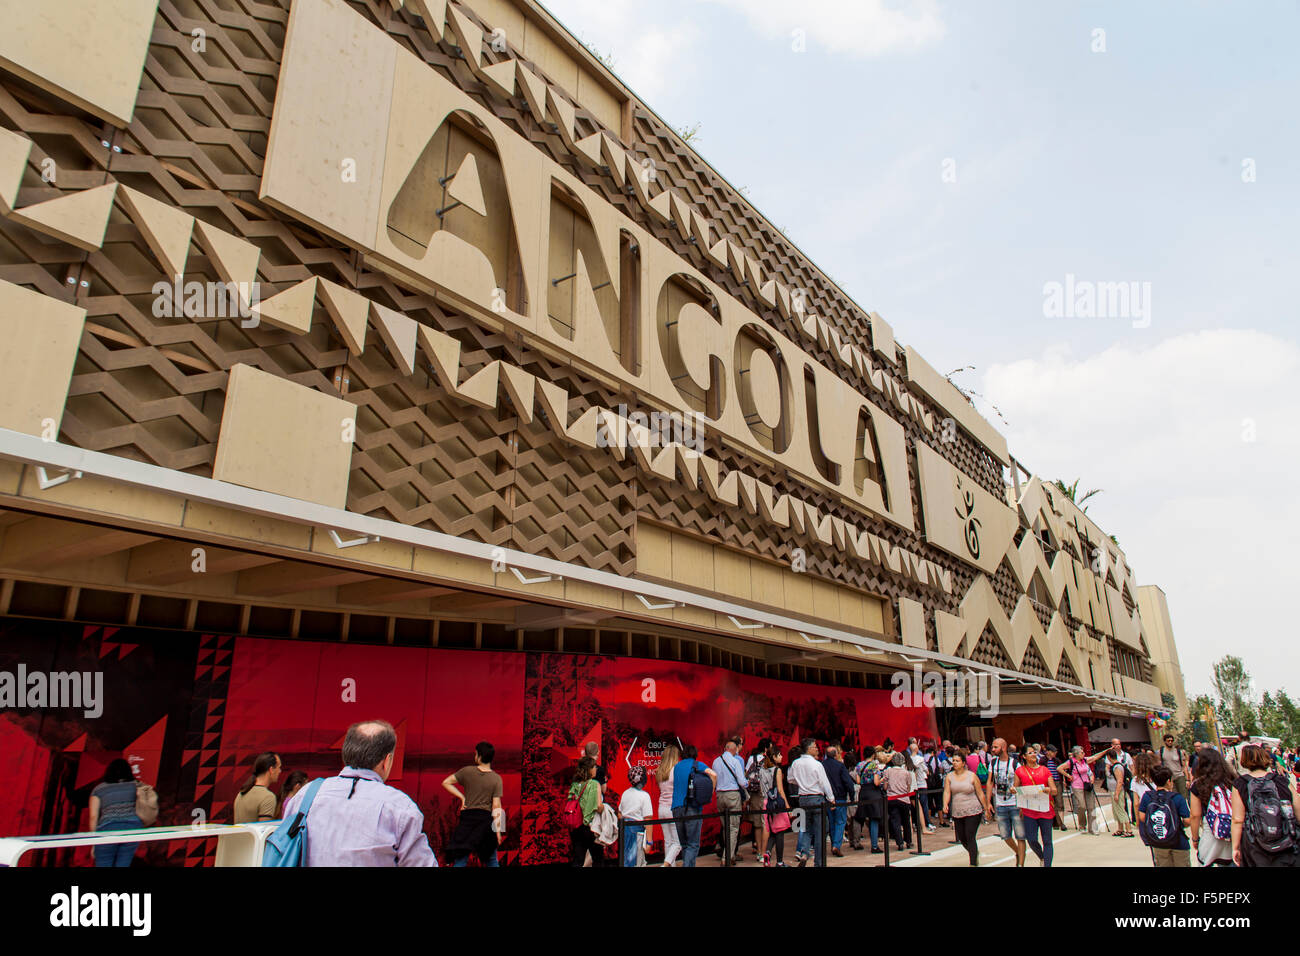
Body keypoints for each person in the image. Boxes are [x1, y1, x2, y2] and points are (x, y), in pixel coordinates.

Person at [280, 719, 437, 866]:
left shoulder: (305, 795)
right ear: (387, 761)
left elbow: (284, 848)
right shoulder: (400, 807)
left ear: (346, 753)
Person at [1231, 744, 1299, 867]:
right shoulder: (1281, 780)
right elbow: (1298, 810)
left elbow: (1237, 819)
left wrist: (1235, 847)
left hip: (1256, 846)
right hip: (1286, 842)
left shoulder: (1240, 784)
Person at [442, 741, 504, 867]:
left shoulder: (467, 772)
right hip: (486, 822)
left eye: (476, 753)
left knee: (460, 859)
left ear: (479, 756)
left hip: (468, 820)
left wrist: (462, 797)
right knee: (492, 861)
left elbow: (446, 782)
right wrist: (498, 832)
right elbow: (496, 806)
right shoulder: (496, 779)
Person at [789, 737, 835, 867]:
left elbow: (790, 779)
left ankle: (804, 853)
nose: (817, 749)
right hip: (817, 798)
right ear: (809, 749)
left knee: (807, 829)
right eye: (815, 747)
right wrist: (831, 798)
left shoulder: (796, 763)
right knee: (820, 831)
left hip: (803, 799)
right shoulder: (817, 764)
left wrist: (802, 782)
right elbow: (824, 783)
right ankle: (818, 862)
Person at [89, 758, 143, 868]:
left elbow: (93, 817)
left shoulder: (98, 789)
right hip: (132, 829)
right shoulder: (137, 785)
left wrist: (93, 842)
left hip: (107, 828)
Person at [1187, 747, 1234, 867]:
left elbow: (1195, 815)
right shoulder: (1232, 779)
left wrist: (1195, 838)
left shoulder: (1198, 784)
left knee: (1207, 861)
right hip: (1233, 828)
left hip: (1211, 829)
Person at [670, 744, 715, 868]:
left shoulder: (677, 766)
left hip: (676, 808)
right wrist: (711, 790)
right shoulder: (697, 764)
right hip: (692, 807)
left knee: (684, 844)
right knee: (693, 844)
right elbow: (714, 774)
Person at [943, 747, 989, 866]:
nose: (954, 763)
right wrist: (945, 804)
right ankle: (974, 853)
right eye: (953, 760)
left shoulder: (972, 776)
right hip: (957, 811)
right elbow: (947, 792)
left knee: (970, 835)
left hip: (973, 810)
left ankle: (972, 863)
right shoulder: (949, 776)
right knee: (962, 838)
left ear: (963, 763)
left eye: (957, 761)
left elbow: (979, 793)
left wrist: (986, 808)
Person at [1138, 766, 1191, 867]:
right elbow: (1187, 821)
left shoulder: (1147, 797)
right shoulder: (1177, 798)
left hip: (1158, 841)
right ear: (1168, 781)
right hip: (1178, 841)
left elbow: (1142, 817)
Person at [985, 738, 1026, 865]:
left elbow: (1019, 783)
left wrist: (1022, 804)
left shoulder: (1015, 763)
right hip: (1000, 804)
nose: (993, 749)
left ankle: (1020, 864)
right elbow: (990, 782)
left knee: (1020, 836)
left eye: (995, 747)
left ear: (1003, 747)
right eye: (992, 747)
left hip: (1014, 804)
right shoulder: (993, 763)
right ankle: (1018, 852)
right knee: (1005, 835)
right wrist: (988, 803)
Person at [1016, 745, 1058, 867]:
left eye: (1034, 752)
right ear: (1024, 756)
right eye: (1030, 753)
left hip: (1045, 809)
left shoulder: (1045, 770)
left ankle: (1047, 865)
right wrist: (1014, 791)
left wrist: (1048, 789)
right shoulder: (1020, 771)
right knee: (1031, 839)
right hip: (1029, 810)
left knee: (1047, 841)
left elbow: (1054, 790)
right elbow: (1016, 789)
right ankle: (1042, 857)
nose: (1033, 754)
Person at [711, 735, 747, 865]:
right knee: (733, 828)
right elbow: (742, 782)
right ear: (734, 749)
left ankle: (729, 854)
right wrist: (748, 784)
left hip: (720, 796)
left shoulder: (716, 761)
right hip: (733, 795)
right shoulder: (735, 761)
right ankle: (726, 857)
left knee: (726, 826)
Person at [1089, 738, 1135, 838]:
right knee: (1116, 810)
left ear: (1109, 757)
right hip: (1113, 789)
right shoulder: (1113, 766)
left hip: (1117, 790)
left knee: (1121, 810)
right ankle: (1120, 828)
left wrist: (1117, 793)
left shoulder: (1117, 767)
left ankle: (1129, 829)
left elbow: (1120, 781)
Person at [567, 756, 603, 867]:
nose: (596, 769)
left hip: (576, 826)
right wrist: (605, 809)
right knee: (598, 859)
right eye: (594, 767)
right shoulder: (594, 784)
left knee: (578, 859)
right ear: (589, 769)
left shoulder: (574, 784)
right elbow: (598, 806)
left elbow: (570, 800)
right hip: (590, 827)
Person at [761, 744, 792, 867]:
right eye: (779, 754)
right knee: (780, 832)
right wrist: (787, 806)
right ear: (774, 757)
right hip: (777, 804)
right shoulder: (777, 770)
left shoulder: (762, 770)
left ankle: (767, 852)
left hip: (766, 803)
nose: (781, 756)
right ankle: (779, 862)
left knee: (773, 831)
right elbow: (780, 790)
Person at [822, 744, 855, 857]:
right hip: (840, 797)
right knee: (840, 822)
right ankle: (836, 845)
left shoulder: (822, 766)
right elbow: (848, 783)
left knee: (832, 822)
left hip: (827, 798)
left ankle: (833, 844)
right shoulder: (840, 766)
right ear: (836, 755)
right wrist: (851, 795)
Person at [854, 747, 888, 853]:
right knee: (874, 819)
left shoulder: (859, 765)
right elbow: (876, 782)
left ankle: (856, 841)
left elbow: (858, 781)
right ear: (873, 755)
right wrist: (883, 779)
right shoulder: (875, 766)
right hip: (873, 793)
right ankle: (874, 846)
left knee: (860, 817)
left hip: (863, 792)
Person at [233, 751, 281, 823]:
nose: (280, 771)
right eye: (279, 767)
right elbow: (263, 830)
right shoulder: (268, 797)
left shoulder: (242, 792)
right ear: (271, 770)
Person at [618, 766, 653, 867]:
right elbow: (648, 820)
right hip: (638, 833)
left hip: (625, 831)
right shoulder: (645, 796)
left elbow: (620, 813)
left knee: (627, 860)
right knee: (638, 861)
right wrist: (649, 842)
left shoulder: (625, 793)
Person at [656, 743, 682, 866]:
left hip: (661, 808)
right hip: (673, 808)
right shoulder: (677, 770)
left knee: (668, 841)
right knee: (677, 843)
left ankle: (671, 865)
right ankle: (665, 865)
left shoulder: (660, 770)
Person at [883, 752, 915, 851]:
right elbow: (908, 787)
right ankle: (909, 841)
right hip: (904, 799)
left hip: (892, 798)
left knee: (895, 821)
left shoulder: (888, 771)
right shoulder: (906, 773)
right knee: (906, 821)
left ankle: (899, 842)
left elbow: (885, 786)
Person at [1061, 745, 1095, 832]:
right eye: (1082, 752)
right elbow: (1059, 768)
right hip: (1077, 786)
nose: (1083, 753)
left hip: (1087, 785)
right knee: (1082, 806)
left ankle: (1093, 827)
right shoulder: (1071, 762)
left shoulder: (1085, 761)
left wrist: (1091, 777)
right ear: (1076, 754)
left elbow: (1091, 766)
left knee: (1091, 806)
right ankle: (1082, 825)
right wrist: (1068, 776)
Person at [1158, 734, 1190, 801]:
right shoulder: (1161, 752)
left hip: (1179, 775)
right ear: (1165, 741)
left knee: (1184, 796)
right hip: (1169, 777)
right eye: (1168, 741)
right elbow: (1159, 764)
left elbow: (1184, 766)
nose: (1170, 742)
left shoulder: (1178, 751)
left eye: (1171, 741)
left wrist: (1187, 779)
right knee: (1173, 796)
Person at [1043, 745, 1066, 830]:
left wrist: (1063, 780)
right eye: (1053, 751)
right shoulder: (1042, 761)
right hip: (1048, 783)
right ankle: (1054, 822)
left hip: (1057, 781)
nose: (1054, 753)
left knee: (1059, 802)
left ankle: (1061, 822)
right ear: (1048, 752)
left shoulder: (1057, 760)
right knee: (1050, 803)